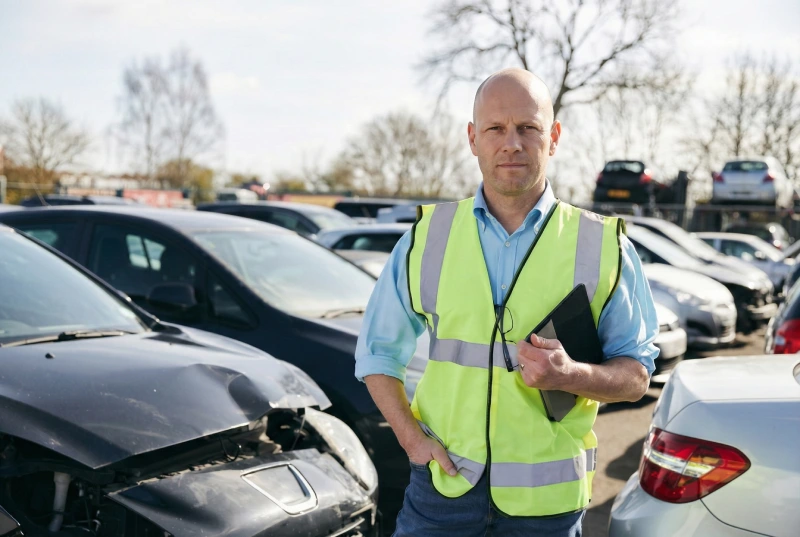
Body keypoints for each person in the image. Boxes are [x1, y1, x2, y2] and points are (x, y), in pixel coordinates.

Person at [355, 68, 658, 537]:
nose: (511, 143)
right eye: (495, 128)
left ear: (553, 138)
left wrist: (571, 375)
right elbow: (377, 353)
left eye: (528, 128)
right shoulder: (426, 237)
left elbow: (636, 378)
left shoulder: (605, 245)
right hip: (442, 491)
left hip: (546, 507)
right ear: (473, 138)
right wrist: (412, 441)